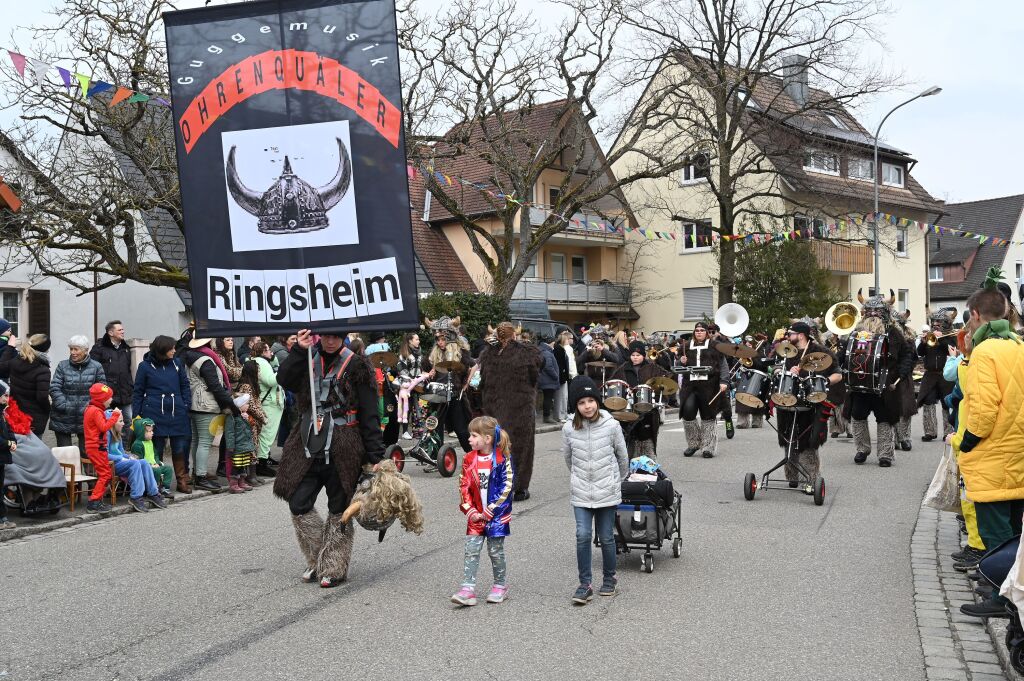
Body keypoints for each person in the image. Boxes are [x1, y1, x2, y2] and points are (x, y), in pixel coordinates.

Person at [274, 329, 385, 588]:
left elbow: (370, 412)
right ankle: (320, 557)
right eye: (326, 336)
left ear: (344, 337)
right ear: (318, 336)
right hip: (307, 442)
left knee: (339, 508)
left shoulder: (357, 364)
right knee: (298, 503)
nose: (331, 341)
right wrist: (300, 350)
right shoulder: (307, 357)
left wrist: (375, 454)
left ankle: (333, 567)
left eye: (336, 336)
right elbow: (285, 379)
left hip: (344, 446)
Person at [955, 274, 1024, 619]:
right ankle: (1012, 593)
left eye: (970, 316)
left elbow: (983, 408)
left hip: (993, 455)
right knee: (1014, 531)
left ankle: (1000, 597)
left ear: (978, 315)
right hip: (1017, 453)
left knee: (996, 532)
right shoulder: (1018, 346)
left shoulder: (984, 353)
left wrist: (967, 442)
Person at [562, 376, 628, 604]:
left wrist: (614, 481)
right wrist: (579, 477)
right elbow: (568, 459)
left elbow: (622, 457)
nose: (587, 406)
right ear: (575, 406)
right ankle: (585, 584)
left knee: (607, 537)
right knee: (582, 535)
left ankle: (610, 579)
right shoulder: (569, 428)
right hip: (581, 491)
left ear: (598, 401)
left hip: (606, 490)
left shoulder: (611, 425)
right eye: (582, 402)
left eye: (591, 400)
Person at [843, 290, 914, 467]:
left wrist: (902, 373)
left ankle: (885, 454)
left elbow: (907, 355)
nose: (873, 314)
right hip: (860, 383)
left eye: (877, 311)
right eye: (869, 311)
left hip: (885, 384)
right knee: (858, 416)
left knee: (885, 418)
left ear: (885, 313)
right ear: (864, 313)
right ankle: (862, 449)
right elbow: (844, 354)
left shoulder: (893, 333)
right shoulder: (855, 333)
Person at [450, 415, 514, 606]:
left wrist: (491, 510)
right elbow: (464, 485)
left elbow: (507, 487)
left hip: (496, 517)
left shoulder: (503, 459)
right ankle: (467, 589)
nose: (469, 439)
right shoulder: (469, 458)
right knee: (471, 550)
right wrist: (470, 510)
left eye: (473, 435)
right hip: (475, 515)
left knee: (495, 551)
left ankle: (500, 586)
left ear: (487, 439)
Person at [477, 320, 541, 501]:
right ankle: (518, 487)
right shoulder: (527, 353)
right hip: (519, 408)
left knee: (496, 445)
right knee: (521, 446)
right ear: (515, 334)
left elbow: (482, 382)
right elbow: (535, 374)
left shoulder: (488, 354)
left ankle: (495, 485)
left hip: (493, 408)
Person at [776, 322, 842, 488]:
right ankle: (792, 475)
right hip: (788, 399)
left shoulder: (821, 352)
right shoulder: (785, 351)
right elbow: (775, 368)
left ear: (800, 335)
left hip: (812, 401)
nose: (787, 336)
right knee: (788, 438)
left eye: (790, 333)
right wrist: (783, 372)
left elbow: (838, 375)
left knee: (807, 442)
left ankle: (811, 479)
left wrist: (825, 381)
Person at [132, 335, 192, 493]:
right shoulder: (145, 366)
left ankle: (181, 480)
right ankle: (156, 482)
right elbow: (138, 391)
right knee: (155, 448)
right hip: (154, 413)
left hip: (176, 411)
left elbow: (185, 385)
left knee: (179, 447)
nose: (174, 350)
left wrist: (185, 405)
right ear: (162, 350)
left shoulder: (177, 363)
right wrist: (136, 416)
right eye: (171, 348)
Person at [184, 337, 237, 491]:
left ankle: (197, 473)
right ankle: (200, 477)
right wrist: (229, 404)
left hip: (194, 404)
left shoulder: (190, 357)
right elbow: (215, 386)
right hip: (205, 405)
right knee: (205, 442)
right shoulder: (206, 360)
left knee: (196, 441)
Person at [422, 316, 475, 454]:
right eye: (438, 339)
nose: (440, 343)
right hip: (438, 394)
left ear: (450, 338)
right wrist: (430, 372)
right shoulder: (434, 355)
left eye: (443, 339)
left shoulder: (461, 354)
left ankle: (473, 455)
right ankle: (435, 458)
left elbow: (474, 367)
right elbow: (425, 369)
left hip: (454, 395)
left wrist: (466, 384)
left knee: (460, 428)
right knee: (435, 426)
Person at [674, 322, 728, 458]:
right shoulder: (685, 347)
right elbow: (678, 365)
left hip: (710, 385)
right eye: (697, 330)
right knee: (688, 411)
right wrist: (682, 361)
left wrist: (724, 381)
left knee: (708, 415)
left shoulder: (715, 346)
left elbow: (723, 365)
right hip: (690, 385)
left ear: (707, 332)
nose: (699, 332)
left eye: (702, 330)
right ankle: (693, 443)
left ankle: (708, 447)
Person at [610, 340, 672, 457]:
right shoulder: (623, 368)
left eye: (638, 355)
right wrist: (623, 390)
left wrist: (659, 392)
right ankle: (629, 459)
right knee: (629, 435)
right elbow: (614, 383)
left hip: (648, 408)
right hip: (628, 408)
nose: (635, 358)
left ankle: (648, 461)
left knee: (646, 436)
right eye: (633, 355)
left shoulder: (652, 367)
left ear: (643, 355)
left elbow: (667, 379)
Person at [50, 335, 106, 455]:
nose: (73, 352)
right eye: (71, 349)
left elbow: (102, 391)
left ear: (86, 350)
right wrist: (63, 404)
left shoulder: (97, 367)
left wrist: (89, 408)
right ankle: (67, 475)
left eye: (76, 349)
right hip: (63, 416)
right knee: (65, 454)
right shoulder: (62, 365)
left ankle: (88, 474)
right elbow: (55, 387)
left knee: (87, 452)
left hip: (87, 416)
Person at [106, 409, 168, 512]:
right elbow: (105, 454)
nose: (123, 424)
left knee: (143, 462)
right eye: (120, 421)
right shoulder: (107, 434)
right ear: (112, 422)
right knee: (135, 464)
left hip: (121, 463)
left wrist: (128, 457)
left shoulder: (118, 434)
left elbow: (121, 451)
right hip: (112, 465)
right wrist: (121, 458)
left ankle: (153, 493)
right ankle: (136, 497)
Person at [917, 308, 957, 441]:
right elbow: (920, 352)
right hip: (930, 375)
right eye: (934, 322)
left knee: (947, 403)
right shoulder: (929, 335)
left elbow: (953, 351)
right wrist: (923, 343)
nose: (935, 324)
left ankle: (948, 431)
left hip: (945, 375)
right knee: (928, 401)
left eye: (939, 322)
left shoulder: (951, 337)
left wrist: (941, 339)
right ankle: (930, 431)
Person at [1, 334, 52, 436]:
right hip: (33, 418)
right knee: (35, 448)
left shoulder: (16, 361)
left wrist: (10, 347)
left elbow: (1, 366)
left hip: (15, 413)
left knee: (17, 447)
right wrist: (48, 410)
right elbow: (42, 397)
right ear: (45, 350)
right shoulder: (43, 370)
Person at [82, 383, 121, 513]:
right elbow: (104, 427)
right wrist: (114, 416)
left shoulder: (91, 409)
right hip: (97, 447)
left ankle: (96, 500)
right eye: (109, 397)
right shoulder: (96, 411)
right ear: (102, 399)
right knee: (105, 474)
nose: (111, 400)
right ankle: (94, 502)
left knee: (105, 474)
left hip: (96, 447)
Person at [90, 320, 134, 423]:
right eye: (119, 330)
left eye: (123, 329)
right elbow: (93, 371)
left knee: (128, 422)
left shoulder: (126, 348)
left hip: (125, 394)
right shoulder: (99, 348)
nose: (123, 331)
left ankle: (125, 440)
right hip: (107, 396)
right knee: (108, 423)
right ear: (110, 333)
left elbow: (128, 370)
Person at [252, 342, 284, 477]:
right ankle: (262, 464)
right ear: (262, 351)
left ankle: (261, 462)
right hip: (270, 403)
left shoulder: (257, 361)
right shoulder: (262, 362)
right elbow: (270, 381)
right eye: (268, 350)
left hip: (268, 402)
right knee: (267, 434)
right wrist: (282, 373)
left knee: (265, 433)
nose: (271, 352)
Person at [235, 359, 268, 484]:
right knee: (251, 447)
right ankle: (250, 475)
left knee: (255, 445)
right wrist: (263, 417)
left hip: (253, 422)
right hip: (249, 422)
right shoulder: (247, 386)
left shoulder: (251, 386)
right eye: (258, 371)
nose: (259, 373)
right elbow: (252, 406)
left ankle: (252, 474)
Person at [131, 417, 174, 499]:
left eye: (152, 431)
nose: (152, 433)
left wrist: (157, 462)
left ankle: (164, 488)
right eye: (149, 431)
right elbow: (138, 460)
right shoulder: (137, 445)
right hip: (146, 468)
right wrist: (150, 465)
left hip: (154, 465)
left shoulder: (150, 442)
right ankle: (153, 489)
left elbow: (155, 454)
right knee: (156, 470)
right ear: (141, 432)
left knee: (168, 469)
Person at [395, 332, 426, 440]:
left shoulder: (420, 353)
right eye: (416, 339)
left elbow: (420, 369)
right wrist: (410, 381)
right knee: (406, 408)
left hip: (417, 384)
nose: (419, 341)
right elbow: (401, 370)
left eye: (418, 339)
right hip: (407, 384)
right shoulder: (404, 354)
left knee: (418, 408)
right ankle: (404, 432)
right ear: (410, 341)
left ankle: (417, 432)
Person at [225, 393, 256, 494]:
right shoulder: (232, 417)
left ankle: (241, 482)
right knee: (237, 465)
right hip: (237, 447)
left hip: (246, 446)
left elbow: (250, 429)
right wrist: (230, 447)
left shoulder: (246, 416)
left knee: (244, 464)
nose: (248, 405)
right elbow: (229, 433)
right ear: (239, 405)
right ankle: (234, 484)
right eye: (246, 403)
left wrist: (248, 419)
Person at [0, 381, 17, 530]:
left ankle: (2, 518)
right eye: (4, 395)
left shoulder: (3, 413)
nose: (7, 399)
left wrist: (13, 441)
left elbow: (9, 430)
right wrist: (7, 444)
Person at [537, 336, 560, 425]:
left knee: (548, 398)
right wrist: (555, 376)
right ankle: (546, 417)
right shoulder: (546, 352)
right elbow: (548, 366)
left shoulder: (543, 351)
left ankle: (546, 417)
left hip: (545, 379)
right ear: (552, 343)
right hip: (548, 379)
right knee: (548, 398)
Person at [556, 330, 577, 422]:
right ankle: (565, 414)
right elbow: (570, 364)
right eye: (571, 338)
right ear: (567, 339)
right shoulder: (567, 348)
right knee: (565, 396)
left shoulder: (563, 348)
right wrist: (572, 374)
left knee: (565, 396)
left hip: (567, 375)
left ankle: (565, 414)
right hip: (569, 375)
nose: (572, 340)